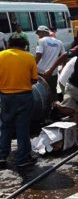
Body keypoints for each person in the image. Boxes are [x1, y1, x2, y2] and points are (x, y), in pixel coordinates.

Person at [0, 34, 38, 168]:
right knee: (22, 127)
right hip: (24, 96)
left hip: (5, 96)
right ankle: (22, 159)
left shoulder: (1, 55)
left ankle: (2, 156)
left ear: (9, 44)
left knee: (5, 126)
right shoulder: (29, 57)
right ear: (24, 45)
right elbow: (34, 80)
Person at [36, 25, 65, 103]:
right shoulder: (59, 42)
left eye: (38, 33)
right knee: (53, 90)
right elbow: (64, 56)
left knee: (41, 90)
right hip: (53, 72)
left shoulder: (41, 40)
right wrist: (63, 68)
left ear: (43, 32)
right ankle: (55, 109)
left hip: (41, 72)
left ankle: (45, 108)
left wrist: (33, 66)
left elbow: (39, 54)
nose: (38, 35)